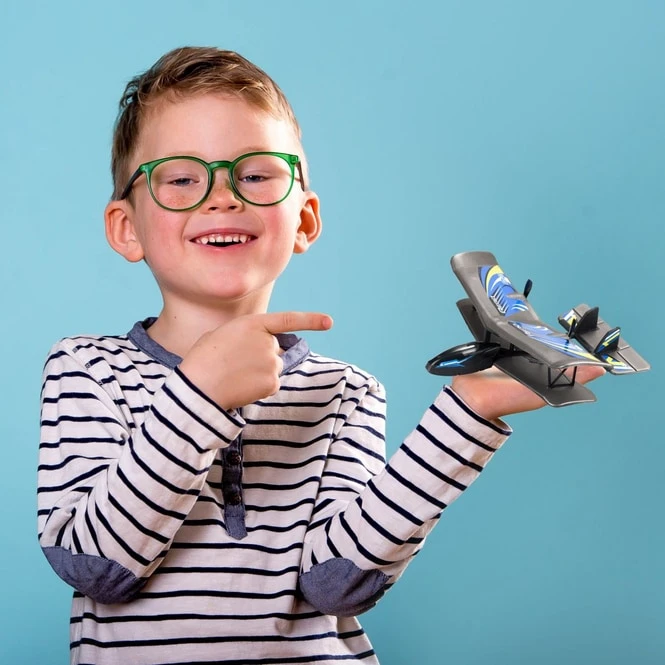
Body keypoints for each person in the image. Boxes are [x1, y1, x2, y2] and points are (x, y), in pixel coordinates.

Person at [37, 46, 601, 665]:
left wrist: (470, 411)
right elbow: (96, 566)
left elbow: (336, 584)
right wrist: (198, 399)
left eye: (255, 175)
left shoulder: (345, 392)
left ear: (304, 220)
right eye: (181, 178)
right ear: (127, 227)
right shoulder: (85, 370)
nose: (221, 197)